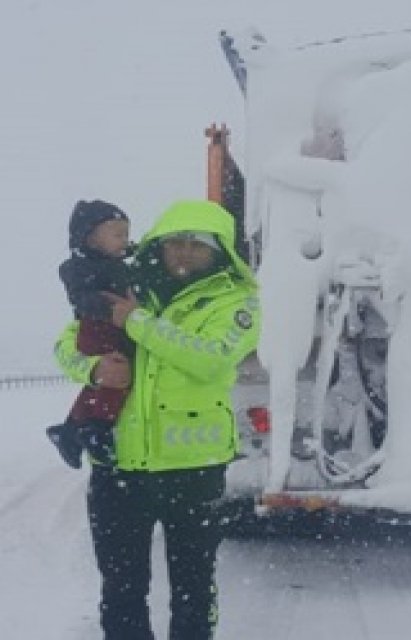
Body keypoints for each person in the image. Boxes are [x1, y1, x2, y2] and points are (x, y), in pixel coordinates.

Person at [54, 199, 260, 640]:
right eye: (174, 243)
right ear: (157, 248)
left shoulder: (237, 304)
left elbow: (209, 359)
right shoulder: (125, 287)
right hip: (117, 469)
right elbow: (66, 345)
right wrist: (93, 370)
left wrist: (138, 323)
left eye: (197, 244)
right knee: (122, 591)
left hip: (194, 471)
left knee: (193, 591)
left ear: (219, 251)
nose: (183, 252)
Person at [46, 200, 137, 469]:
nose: (124, 240)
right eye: (117, 234)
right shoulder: (78, 268)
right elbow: (81, 298)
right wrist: (110, 307)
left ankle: (70, 430)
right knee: (116, 378)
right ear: (92, 238)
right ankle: (98, 429)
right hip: (98, 328)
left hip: (114, 326)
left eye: (126, 234)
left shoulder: (112, 262)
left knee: (99, 386)